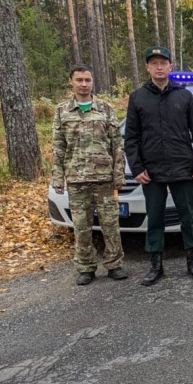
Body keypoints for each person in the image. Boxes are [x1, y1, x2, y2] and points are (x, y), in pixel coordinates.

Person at [124, 46, 193, 286]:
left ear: (171, 66)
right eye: (154, 63)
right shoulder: (138, 97)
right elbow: (131, 138)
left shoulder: (184, 96)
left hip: (182, 168)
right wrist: (137, 167)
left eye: (163, 62)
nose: (159, 67)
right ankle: (156, 266)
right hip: (151, 172)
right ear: (147, 67)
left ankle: (192, 261)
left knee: (188, 217)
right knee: (155, 219)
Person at [51, 65, 126, 286]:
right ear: (71, 82)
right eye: (79, 80)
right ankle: (86, 267)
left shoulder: (105, 108)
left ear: (93, 82)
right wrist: (58, 179)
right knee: (81, 226)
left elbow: (117, 145)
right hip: (76, 179)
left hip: (104, 178)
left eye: (87, 80)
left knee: (110, 224)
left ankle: (114, 264)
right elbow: (58, 147)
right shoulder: (62, 111)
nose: (84, 84)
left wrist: (118, 175)